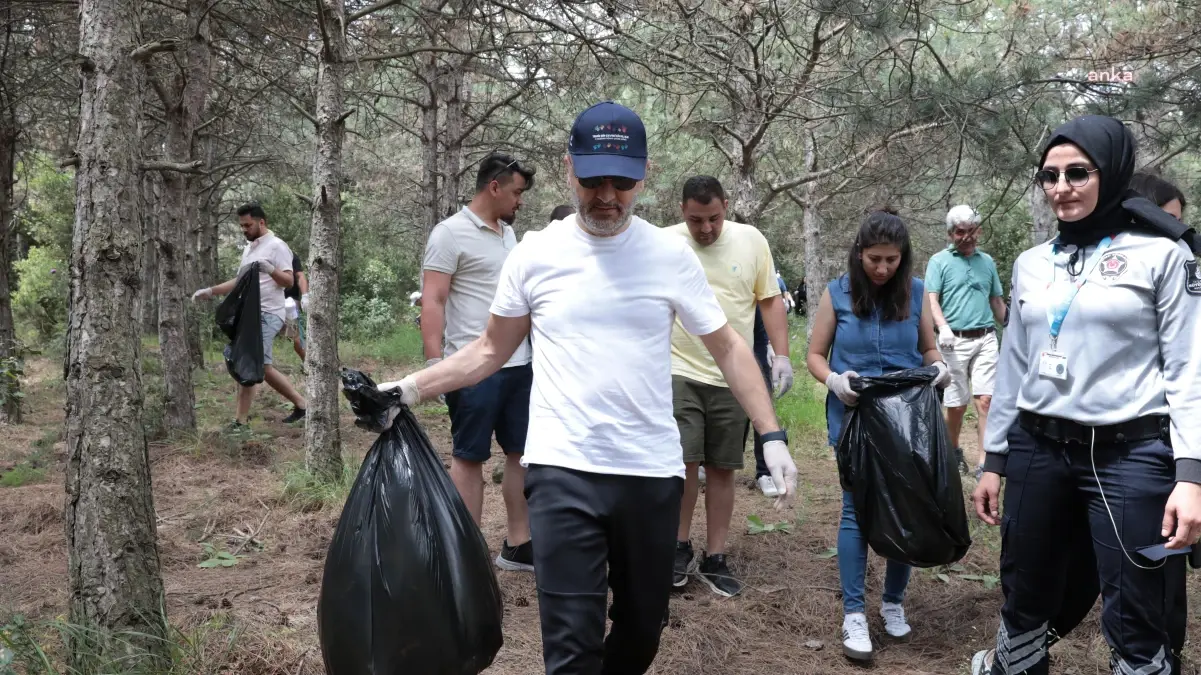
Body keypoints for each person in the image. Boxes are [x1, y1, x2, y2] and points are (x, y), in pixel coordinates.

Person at [378, 101, 798, 675]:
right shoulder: (536, 254)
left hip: (650, 473)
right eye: (593, 179)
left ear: (643, 175)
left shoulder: (668, 254)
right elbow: (488, 350)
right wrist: (408, 388)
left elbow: (726, 346)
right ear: (569, 168)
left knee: (641, 632)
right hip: (561, 471)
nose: (606, 195)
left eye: (621, 182)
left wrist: (770, 433)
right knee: (571, 650)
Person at [969, 115, 1201, 675]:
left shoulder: (1165, 257)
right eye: (1049, 176)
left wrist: (1191, 477)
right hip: (1037, 449)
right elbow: (1016, 369)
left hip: (1131, 455)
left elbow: (1189, 371)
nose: (1061, 187)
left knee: (1134, 607)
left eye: (1077, 172)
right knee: (1024, 591)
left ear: (1112, 172)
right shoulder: (1031, 263)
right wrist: (993, 460)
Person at [805, 207, 950, 662]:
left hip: (906, 416)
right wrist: (833, 381)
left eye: (892, 260)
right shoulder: (838, 293)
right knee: (857, 510)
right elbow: (815, 354)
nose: (883, 268)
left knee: (904, 507)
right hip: (854, 415)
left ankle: (892, 602)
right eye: (875, 260)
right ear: (859, 254)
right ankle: (853, 613)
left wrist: (939, 366)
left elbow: (927, 347)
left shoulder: (916, 291)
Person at [667, 176, 792, 597]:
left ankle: (715, 556)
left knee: (722, 468)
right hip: (678, 368)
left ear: (726, 206)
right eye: (695, 220)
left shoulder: (751, 240)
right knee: (683, 464)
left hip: (731, 375)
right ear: (681, 211)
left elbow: (769, 299)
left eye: (714, 218)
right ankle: (677, 547)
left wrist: (782, 355)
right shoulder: (665, 243)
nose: (705, 229)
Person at [420, 151, 537, 572]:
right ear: (494, 187)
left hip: (520, 364)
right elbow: (433, 299)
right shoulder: (449, 234)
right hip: (472, 366)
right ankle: (466, 552)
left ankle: (518, 544)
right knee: (470, 456)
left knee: (521, 453)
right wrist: (435, 361)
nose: (519, 201)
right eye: (517, 192)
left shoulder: (509, 235)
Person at [191, 203, 307, 427]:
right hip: (249, 315)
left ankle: (242, 422)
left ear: (261, 222)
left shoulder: (277, 246)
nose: (244, 229)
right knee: (251, 364)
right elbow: (240, 281)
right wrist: (211, 291)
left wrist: (270, 269)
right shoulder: (250, 248)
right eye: (241, 226)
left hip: (268, 313)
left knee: (254, 365)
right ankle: (301, 406)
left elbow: (289, 281)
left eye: (248, 225)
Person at [925, 204, 1007, 478]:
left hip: (985, 337)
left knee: (986, 400)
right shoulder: (939, 262)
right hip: (952, 342)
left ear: (978, 231)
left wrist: (1013, 324)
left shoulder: (987, 262)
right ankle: (953, 452)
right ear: (951, 234)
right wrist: (943, 327)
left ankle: (985, 462)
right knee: (956, 404)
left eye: (971, 231)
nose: (967, 237)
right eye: (960, 232)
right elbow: (931, 300)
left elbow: (996, 301)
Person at [282, 252, 309, 360]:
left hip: (289, 303)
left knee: (297, 340)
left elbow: (300, 276)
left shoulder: (289, 254)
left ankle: (308, 365)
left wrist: (305, 295)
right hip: (268, 301)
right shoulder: (263, 255)